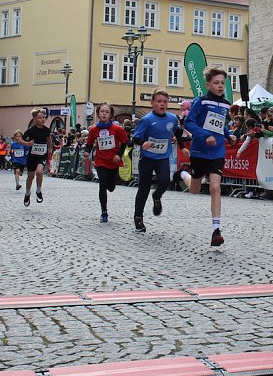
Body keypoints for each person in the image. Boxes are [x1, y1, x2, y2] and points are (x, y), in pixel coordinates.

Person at [177, 68, 237, 246]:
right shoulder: (200, 102)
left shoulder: (226, 104)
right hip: (200, 151)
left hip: (217, 151)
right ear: (208, 84)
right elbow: (189, 122)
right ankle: (183, 175)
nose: (220, 86)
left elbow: (219, 124)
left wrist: (228, 136)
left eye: (222, 83)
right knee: (194, 189)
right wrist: (204, 136)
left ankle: (215, 229)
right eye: (216, 83)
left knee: (215, 187)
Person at [132, 90, 181, 233]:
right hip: (147, 158)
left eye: (165, 102)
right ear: (152, 103)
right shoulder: (147, 120)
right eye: (159, 101)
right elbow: (136, 137)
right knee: (143, 188)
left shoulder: (172, 118)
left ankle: (157, 196)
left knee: (165, 181)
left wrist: (182, 145)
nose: (162, 104)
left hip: (162, 157)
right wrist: (143, 143)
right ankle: (138, 218)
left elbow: (177, 132)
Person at [84, 103, 128, 223]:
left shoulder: (118, 129)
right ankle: (104, 212)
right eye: (102, 111)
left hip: (113, 161)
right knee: (102, 184)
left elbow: (124, 143)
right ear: (98, 114)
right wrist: (87, 152)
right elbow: (89, 144)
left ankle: (111, 184)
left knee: (112, 187)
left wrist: (118, 155)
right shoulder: (94, 130)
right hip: (101, 160)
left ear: (110, 115)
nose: (104, 113)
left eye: (107, 112)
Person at [21, 108, 52, 207]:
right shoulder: (31, 130)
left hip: (42, 155)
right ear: (34, 119)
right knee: (30, 176)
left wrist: (50, 149)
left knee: (39, 172)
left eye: (44, 117)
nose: (42, 119)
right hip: (32, 156)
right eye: (40, 118)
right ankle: (27, 193)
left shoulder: (47, 130)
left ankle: (38, 190)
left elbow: (49, 140)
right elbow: (20, 140)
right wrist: (28, 143)